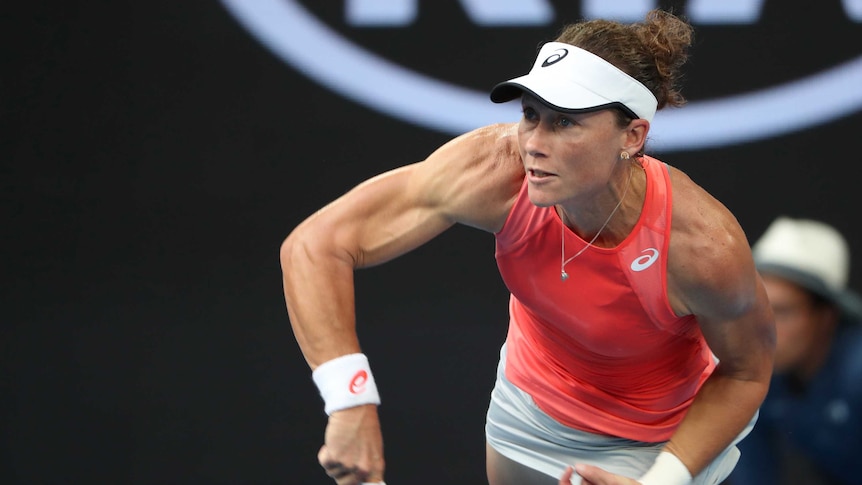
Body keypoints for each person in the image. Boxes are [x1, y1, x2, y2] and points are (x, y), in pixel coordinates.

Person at [280, 9, 775, 485]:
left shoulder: (701, 246)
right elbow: (317, 244)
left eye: (565, 122)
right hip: (530, 406)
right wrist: (350, 401)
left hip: (657, 441)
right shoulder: (497, 170)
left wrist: (661, 480)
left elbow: (746, 374)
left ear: (633, 135)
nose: (534, 142)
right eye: (532, 115)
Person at [725, 217, 862, 485]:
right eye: (756, 306)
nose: (763, 326)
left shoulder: (857, 371)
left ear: (826, 318)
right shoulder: (756, 376)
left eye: (783, 311)